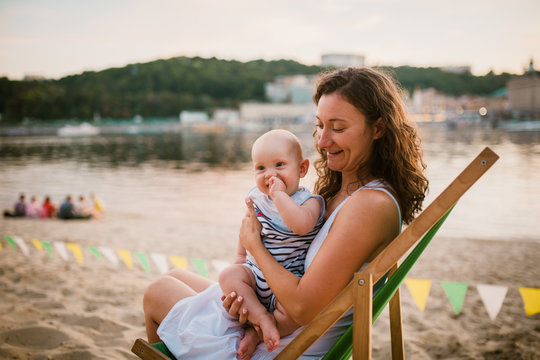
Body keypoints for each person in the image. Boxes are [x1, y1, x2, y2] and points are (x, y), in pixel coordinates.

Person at [142, 67, 429, 359]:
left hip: (285, 348)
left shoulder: (370, 205)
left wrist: (253, 244)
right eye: (320, 125)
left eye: (338, 128)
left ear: (378, 129)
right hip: (277, 325)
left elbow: (303, 307)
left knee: (158, 292)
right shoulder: (343, 193)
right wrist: (245, 298)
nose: (322, 141)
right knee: (176, 275)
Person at [218, 129, 325, 358]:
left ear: (302, 168)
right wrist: (240, 259)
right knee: (228, 276)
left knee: (293, 315)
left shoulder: (310, 202)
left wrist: (279, 196)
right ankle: (261, 318)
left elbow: (301, 226)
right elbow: (246, 230)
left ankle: (259, 332)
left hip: (287, 283)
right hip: (257, 275)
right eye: (261, 168)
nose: (270, 175)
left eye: (279, 165)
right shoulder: (257, 199)